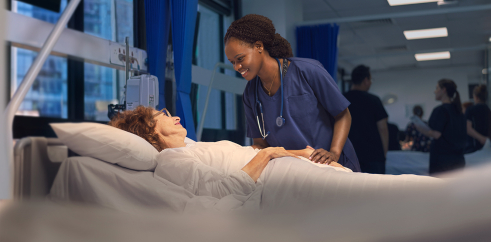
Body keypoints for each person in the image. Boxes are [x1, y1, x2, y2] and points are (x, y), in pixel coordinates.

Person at [108, 106, 436, 201]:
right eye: (163, 115)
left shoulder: (192, 148)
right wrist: (271, 155)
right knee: (381, 194)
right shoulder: (171, 160)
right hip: (275, 179)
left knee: (380, 191)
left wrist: (299, 152)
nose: (175, 116)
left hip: (283, 168)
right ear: (151, 131)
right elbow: (224, 190)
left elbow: (246, 153)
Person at [223, 14, 360, 172]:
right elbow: (261, 144)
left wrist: (334, 152)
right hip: (294, 173)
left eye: (240, 59)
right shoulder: (250, 94)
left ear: (259, 46)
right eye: (232, 62)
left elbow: (342, 114)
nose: (236, 67)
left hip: (334, 165)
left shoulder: (307, 71)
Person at [343, 65, 388, 174]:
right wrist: (384, 154)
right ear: (366, 80)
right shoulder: (374, 100)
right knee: (376, 189)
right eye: (370, 79)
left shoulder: (341, 99)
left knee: (350, 189)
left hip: (348, 155)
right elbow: (382, 128)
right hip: (373, 157)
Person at [415, 79, 467, 175]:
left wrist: (421, 128)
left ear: (444, 90)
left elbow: (436, 134)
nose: (434, 91)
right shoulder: (459, 111)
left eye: (437, 88)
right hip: (459, 160)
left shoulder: (440, 111)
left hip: (443, 161)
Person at [464, 85, 490, 153]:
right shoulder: (488, 110)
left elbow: (468, 128)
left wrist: (482, 138)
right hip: (487, 147)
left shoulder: (470, 110)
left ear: (476, 97)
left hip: (473, 147)